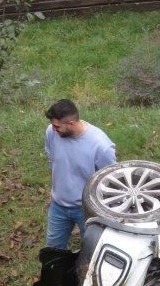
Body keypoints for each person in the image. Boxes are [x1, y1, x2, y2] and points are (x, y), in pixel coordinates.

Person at [43, 99, 116, 249]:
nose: (54, 129)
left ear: (71, 123)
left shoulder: (101, 146)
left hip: (87, 209)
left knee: (91, 250)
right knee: (52, 251)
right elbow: (53, 161)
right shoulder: (51, 132)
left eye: (57, 126)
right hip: (58, 206)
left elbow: (110, 184)